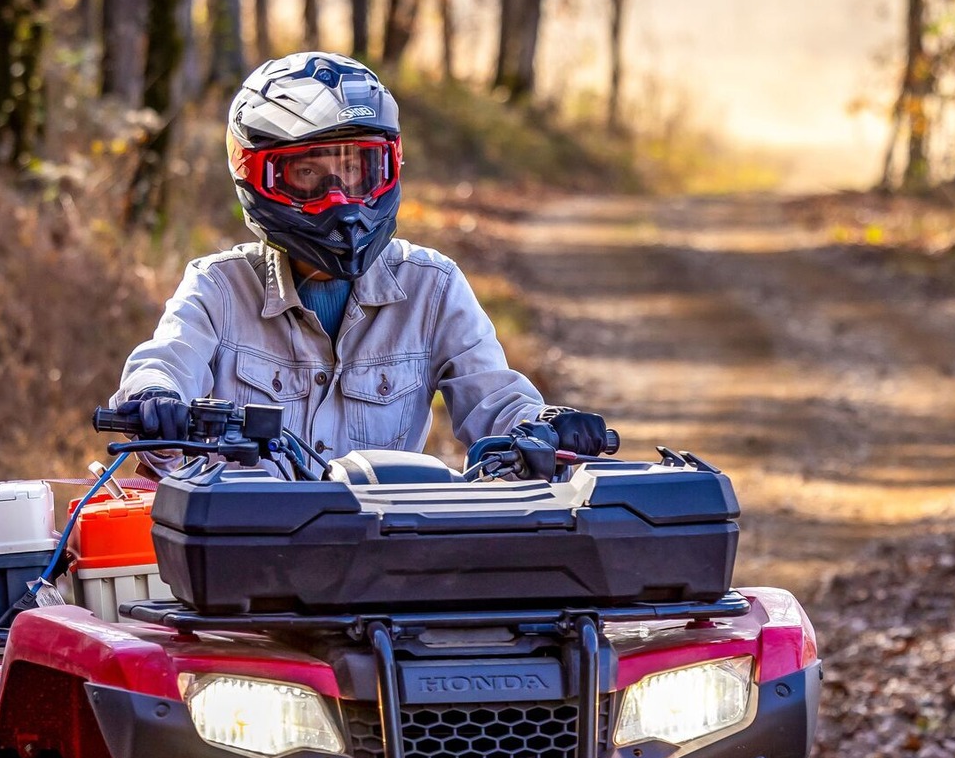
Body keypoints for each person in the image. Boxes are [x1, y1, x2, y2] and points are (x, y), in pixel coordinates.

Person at [109, 51, 610, 463]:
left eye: (357, 170)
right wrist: (156, 400)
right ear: (255, 178)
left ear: (390, 167)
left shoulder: (430, 288)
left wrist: (543, 425)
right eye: (308, 174)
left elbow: (496, 399)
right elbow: (166, 360)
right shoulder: (217, 289)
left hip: (388, 558)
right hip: (245, 557)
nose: (339, 198)